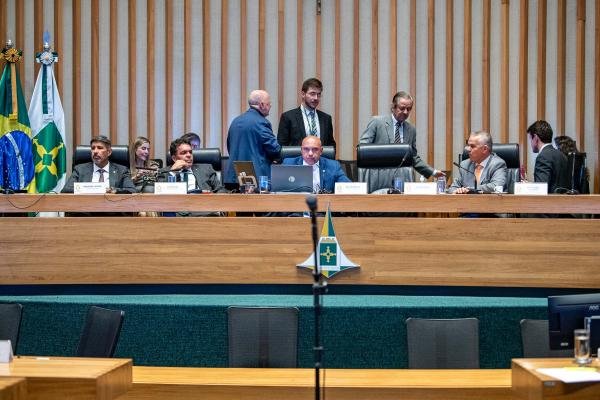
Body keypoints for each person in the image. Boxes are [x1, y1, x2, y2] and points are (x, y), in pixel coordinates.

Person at [359, 91, 445, 193]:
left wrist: (433, 172)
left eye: (409, 109)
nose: (405, 112)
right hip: (378, 179)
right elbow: (363, 149)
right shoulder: (377, 122)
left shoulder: (411, 130)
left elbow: (413, 157)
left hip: (402, 180)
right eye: (402, 108)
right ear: (393, 107)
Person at [224, 90, 281, 185]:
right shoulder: (261, 122)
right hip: (255, 178)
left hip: (233, 177)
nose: (270, 106)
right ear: (262, 105)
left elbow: (230, 147)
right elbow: (274, 149)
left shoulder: (235, 121)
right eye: (269, 103)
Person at [62, 135, 136, 193]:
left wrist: (113, 190)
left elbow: (131, 190)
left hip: (112, 207)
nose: (95, 151)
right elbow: (66, 190)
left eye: (100, 148)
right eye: (93, 148)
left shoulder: (121, 170)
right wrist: (92, 189)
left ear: (109, 152)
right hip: (86, 207)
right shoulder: (80, 169)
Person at [277, 77, 336, 149]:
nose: (316, 98)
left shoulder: (326, 119)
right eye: (312, 94)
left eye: (318, 94)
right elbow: (282, 146)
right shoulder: (288, 117)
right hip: (297, 156)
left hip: (321, 156)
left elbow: (331, 146)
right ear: (303, 94)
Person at [282, 136, 350, 193]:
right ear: (301, 150)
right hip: (296, 203)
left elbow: (347, 186)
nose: (310, 153)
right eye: (306, 149)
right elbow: (277, 185)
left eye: (315, 149)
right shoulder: (288, 164)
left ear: (321, 151)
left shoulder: (333, 166)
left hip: (323, 203)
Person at [157, 136, 225, 193]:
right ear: (174, 158)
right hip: (177, 204)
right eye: (184, 153)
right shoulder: (163, 172)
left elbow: (220, 190)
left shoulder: (206, 169)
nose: (189, 155)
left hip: (202, 203)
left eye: (190, 152)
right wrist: (172, 172)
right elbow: (159, 192)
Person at [527, 120, 570, 194]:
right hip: (563, 200)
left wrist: (525, 187)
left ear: (536, 138)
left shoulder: (543, 157)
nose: (530, 143)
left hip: (549, 201)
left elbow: (540, 189)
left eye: (530, 139)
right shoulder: (562, 155)